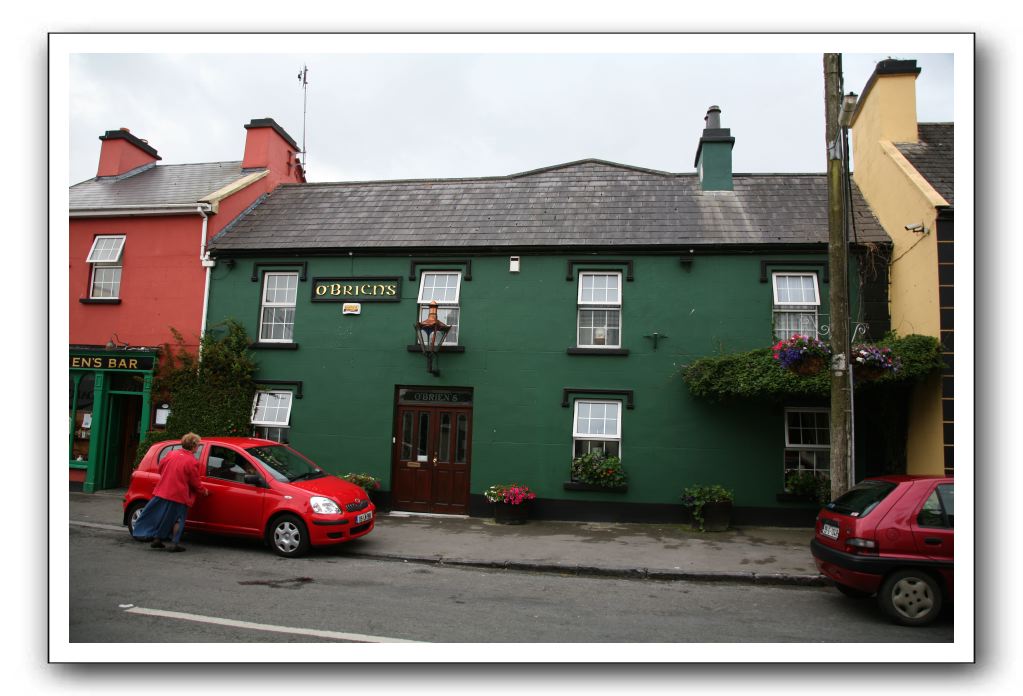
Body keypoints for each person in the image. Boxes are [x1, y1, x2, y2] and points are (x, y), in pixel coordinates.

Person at [132, 432, 209, 552]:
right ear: (193, 446)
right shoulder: (192, 461)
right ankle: (174, 544)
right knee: (178, 519)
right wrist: (203, 491)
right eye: (198, 445)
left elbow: (161, 468)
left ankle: (157, 539)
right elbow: (195, 482)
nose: (198, 447)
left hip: (162, 491)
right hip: (179, 495)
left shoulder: (170, 454)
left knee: (163, 516)